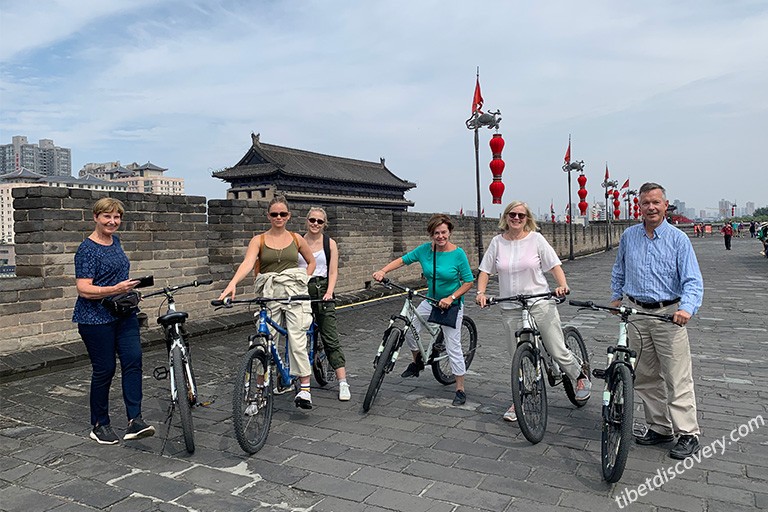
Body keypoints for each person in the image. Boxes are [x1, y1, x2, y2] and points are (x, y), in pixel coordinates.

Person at [610, 182, 704, 460]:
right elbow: (619, 269)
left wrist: (686, 308)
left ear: (665, 205)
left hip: (668, 315)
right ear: (639, 206)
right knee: (646, 376)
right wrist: (616, 298)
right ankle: (660, 427)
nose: (650, 207)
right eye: (645, 203)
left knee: (677, 376)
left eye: (656, 202)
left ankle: (688, 433)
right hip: (637, 314)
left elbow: (692, 280)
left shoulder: (678, 239)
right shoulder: (629, 236)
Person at [475, 201, 591, 423]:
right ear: (506, 217)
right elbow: (484, 271)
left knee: (557, 349)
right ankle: (520, 398)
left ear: (527, 218)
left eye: (521, 215)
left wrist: (561, 285)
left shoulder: (536, 239)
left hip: (539, 302)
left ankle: (579, 375)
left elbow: (554, 265)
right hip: (510, 306)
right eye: (512, 214)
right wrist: (481, 292)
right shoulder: (497, 242)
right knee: (517, 358)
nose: (516, 218)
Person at [219, 196, 318, 409]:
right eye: (274, 214)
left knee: (296, 337)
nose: (279, 217)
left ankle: (304, 389)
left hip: (294, 291)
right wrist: (232, 284)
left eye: (283, 214)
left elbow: (311, 262)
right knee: (263, 343)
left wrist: (303, 279)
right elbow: (248, 263)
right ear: (268, 216)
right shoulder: (259, 240)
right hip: (269, 291)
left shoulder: (296, 238)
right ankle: (259, 393)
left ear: (289, 216)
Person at [73, 198, 155, 444]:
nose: (112, 221)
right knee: (105, 369)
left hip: (123, 314)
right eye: (107, 216)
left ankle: (135, 420)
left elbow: (118, 276)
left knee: (133, 361)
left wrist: (128, 289)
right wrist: (115, 288)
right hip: (95, 319)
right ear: (96, 217)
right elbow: (84, 289)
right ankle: (99, 424)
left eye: (117, 217)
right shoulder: (86, 249)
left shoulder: (116, 242)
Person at [372, 214, 474, 406]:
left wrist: (451, 297)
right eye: (436, 233)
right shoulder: (425, 250)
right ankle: (417, 362)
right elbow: (403, 260)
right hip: (429, 299)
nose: (440, 236)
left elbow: (469, 282)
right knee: (409, 329)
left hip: (451, 303)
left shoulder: (458, 254)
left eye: (444, 232)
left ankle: (460, 389)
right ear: (431, 234)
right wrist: (383, 271)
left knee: (453, 346)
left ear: (450, 232)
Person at [298, 207, 351, 401]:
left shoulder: (330, 244)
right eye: (312, 220)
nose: (315, 224)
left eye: (320, 221)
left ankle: (343, 382)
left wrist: (329, 291)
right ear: (306, 220)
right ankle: (293, 378)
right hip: (300, 291)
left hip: (322, 290)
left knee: (330, 337)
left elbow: (333, 271)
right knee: (296, 336)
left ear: (324, 224)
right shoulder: (297, 241)